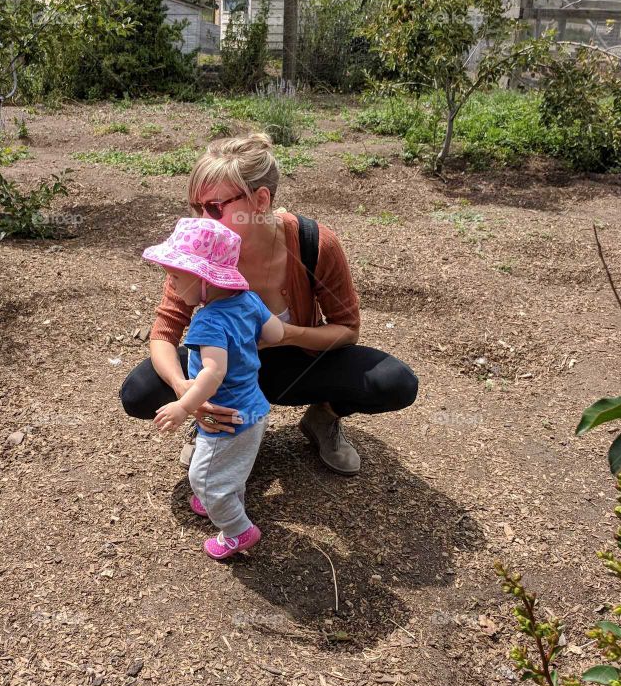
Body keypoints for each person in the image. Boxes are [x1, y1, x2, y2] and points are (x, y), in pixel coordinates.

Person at [122, 132, 419, 474]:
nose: (202, 220)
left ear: (260, 200)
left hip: (296, 365)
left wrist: (285, 335)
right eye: (196, 207)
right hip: (223, 368)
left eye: (214, 208)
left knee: (394, 382)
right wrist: (187, 391)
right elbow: (163, 333)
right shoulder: (201, 250)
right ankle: (217, 427)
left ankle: (323, 417)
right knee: (139, 391)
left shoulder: (315, 243)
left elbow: (347, 331)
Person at [142, 216, 285, 559]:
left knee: (204, 478)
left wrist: (184, 406)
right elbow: (277, 334)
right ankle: (219, 501)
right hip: (254, 407)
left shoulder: (208, 320)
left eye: (176, 276)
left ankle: (238, 531)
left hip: (225, 416)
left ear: (205, 279)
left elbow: (213, 372)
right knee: (233, 466)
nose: (172, 285)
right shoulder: (248, 300)